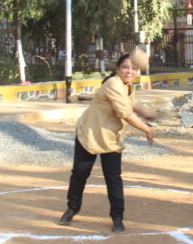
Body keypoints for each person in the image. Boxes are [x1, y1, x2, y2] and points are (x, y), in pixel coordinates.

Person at [60, 49, 157, 232]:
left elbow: (131, 103)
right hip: (90, 133)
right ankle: (72, 208)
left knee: (113, 178)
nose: (130, 71)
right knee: (80, 174)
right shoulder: (113, 83)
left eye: (134, 68)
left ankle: (117, 217)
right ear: (117, 69)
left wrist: (146, 114)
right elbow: (125, 113)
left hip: (111, 137)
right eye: (125, 67)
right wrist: (146, 128)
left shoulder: (126, 86)